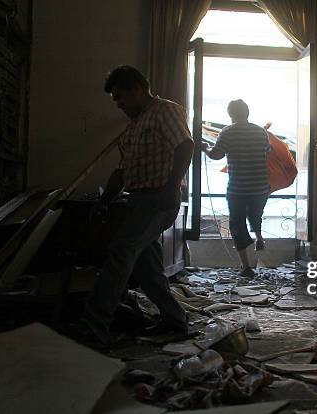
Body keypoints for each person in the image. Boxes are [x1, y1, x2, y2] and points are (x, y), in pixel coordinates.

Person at [81, 65, 193, 346]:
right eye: (115, 100)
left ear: (139, 89)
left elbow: (185, 146)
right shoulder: (134, 128)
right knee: (146, 268)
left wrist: (171, 187)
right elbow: (122, 172)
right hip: (139, 200)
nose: (119, 104)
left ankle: (94, 325)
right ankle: (174, 320)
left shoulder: (164, 111)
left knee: (120, 252)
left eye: (121, 97)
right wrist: (104, 200)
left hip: (158, 198)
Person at [201, 99, 270, 277]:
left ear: (231, 114)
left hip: (238, 188)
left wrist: (205, 148)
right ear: (247, 113)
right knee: (255, 215)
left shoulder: (227, 132)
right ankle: (259, 237)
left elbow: (217, 155)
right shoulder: (260, 131)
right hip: (260, 186)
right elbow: (267, 151)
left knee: (237, 224)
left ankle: (246, 267)